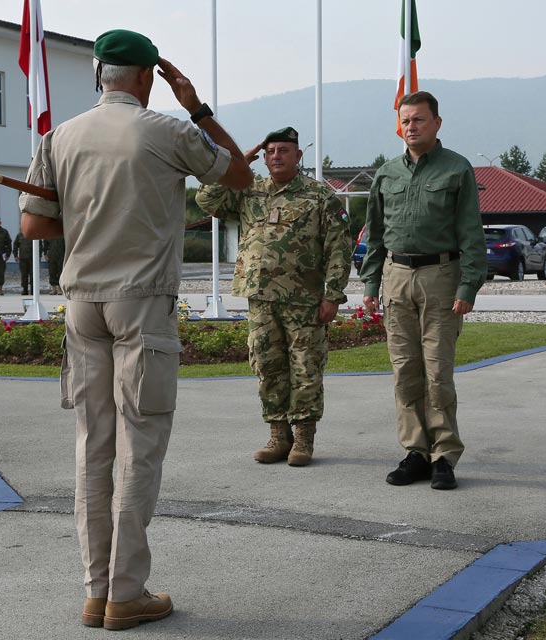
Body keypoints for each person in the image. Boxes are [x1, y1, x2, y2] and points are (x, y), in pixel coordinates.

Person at [17, 29, 251, 631]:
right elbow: (241, 176)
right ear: (149, 77)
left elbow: (33, 227)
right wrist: (196, 106)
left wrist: (89, 214)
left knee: (92, 449)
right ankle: (127, 593)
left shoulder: (59, 136)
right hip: (141, 303)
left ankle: (96, 593)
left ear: (100, 75)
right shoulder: (166, 130)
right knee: (138, 448)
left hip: (82, 304)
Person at [196, 126, 352, 467]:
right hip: (260, 297)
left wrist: (333, 294)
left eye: (283, 150)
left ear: (298, 155)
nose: (276, 156)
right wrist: (239, 162)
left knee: (305, 367)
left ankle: (304, 439)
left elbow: (340, 247)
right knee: (267, 365)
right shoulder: (248, 190)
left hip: (304, 300)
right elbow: (206, 200)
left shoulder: (318, 196)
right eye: (270, 151)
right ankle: (278, 436)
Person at [360, 91, 486, 491]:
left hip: (441, 278)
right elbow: (375, 235)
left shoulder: (456, 170)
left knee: (437, 372)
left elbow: (471, 234)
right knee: (405, 371)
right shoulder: (386, 174)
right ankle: (415, 451)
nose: (411, 127)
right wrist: (370, 283)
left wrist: (468, 286)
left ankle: (444, 455)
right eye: (406, 121)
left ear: (436, 123)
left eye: (418, 120)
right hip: (396, 277)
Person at [13, 229, 34, 295]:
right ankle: (25, 290)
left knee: (33, 275)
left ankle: (33, 290)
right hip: (23, 259)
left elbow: (39, 246)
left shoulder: (33, 234)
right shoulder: (19, 235)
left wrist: (38, 256)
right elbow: (15, 245)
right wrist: (15, 255)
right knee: (24, 275)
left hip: (32, 258)